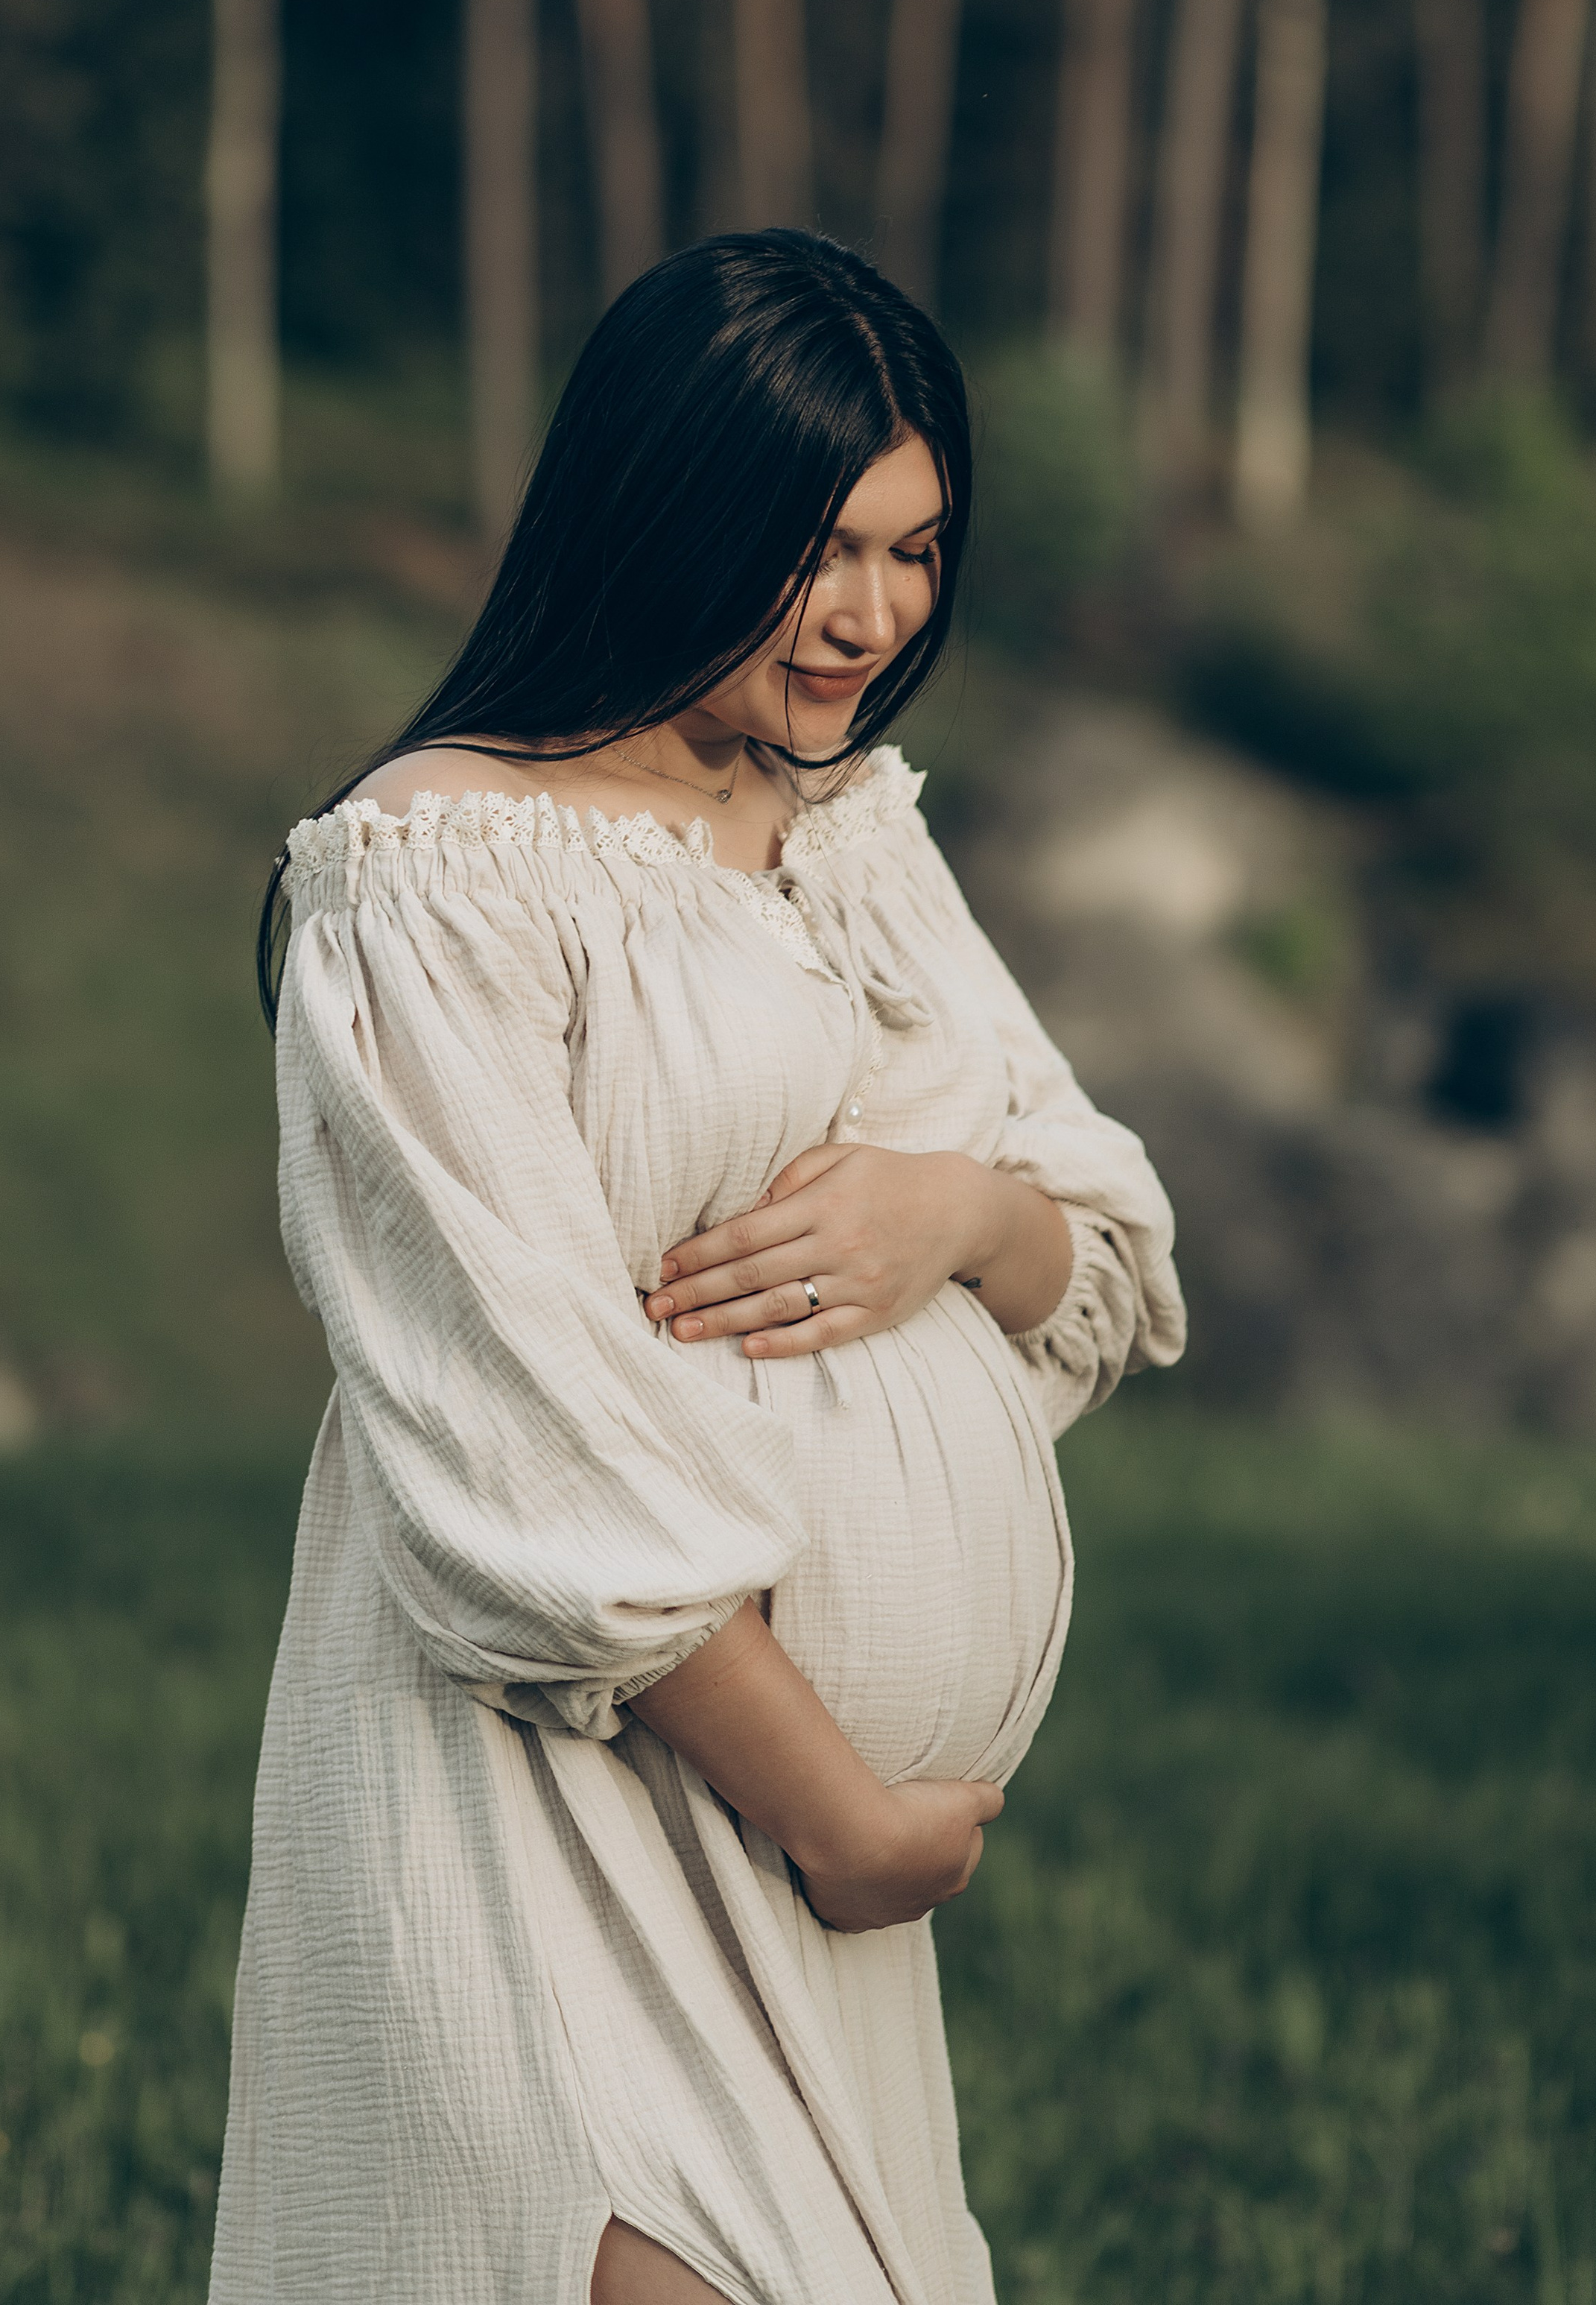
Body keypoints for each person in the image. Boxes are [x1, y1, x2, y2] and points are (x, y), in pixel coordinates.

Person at [211, 230, 1184, 2305]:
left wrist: (956, 1217)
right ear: (667, 509)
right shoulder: (432, 877)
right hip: (541, 1796)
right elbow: (513, 1423)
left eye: (915, 552)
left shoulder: (840, 825)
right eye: (816, 548)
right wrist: (843, 1811)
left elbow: (1092, 1238)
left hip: (793, 1865)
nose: (870, 615)